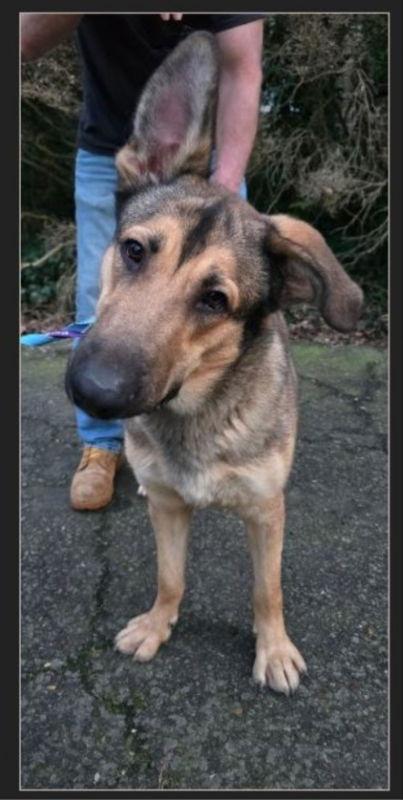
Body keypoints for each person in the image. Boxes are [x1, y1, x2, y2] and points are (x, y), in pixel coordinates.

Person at [21, 13, 265, 511]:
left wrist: (221, 195)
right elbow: (22, 40)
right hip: (108, 149)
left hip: (211, 170)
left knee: (214, 314)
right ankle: (102, 445)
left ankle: (203, 447)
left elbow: (243, 68)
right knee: (98, 300)